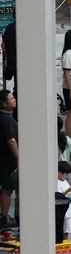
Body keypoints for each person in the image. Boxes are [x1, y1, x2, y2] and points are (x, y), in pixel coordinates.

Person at [0, 90, 17, 225]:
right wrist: (19, 158)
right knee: (7, 189)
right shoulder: (5, 119)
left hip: (5, 159)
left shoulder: (7, 116)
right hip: (7, 161)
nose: (14, 100)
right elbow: (11, 140)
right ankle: (5, 217)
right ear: (4, 104)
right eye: (11, 99)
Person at [57, 161, 71, 240]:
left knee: (66, 231)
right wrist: (68, 190)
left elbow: (68, 194)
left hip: (69, 210)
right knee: (63, 230)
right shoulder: (57, 182)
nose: (67, 176)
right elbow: (59, 196)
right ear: (59, 173)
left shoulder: (64, 181)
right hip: (64, 211)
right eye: (66, 174)